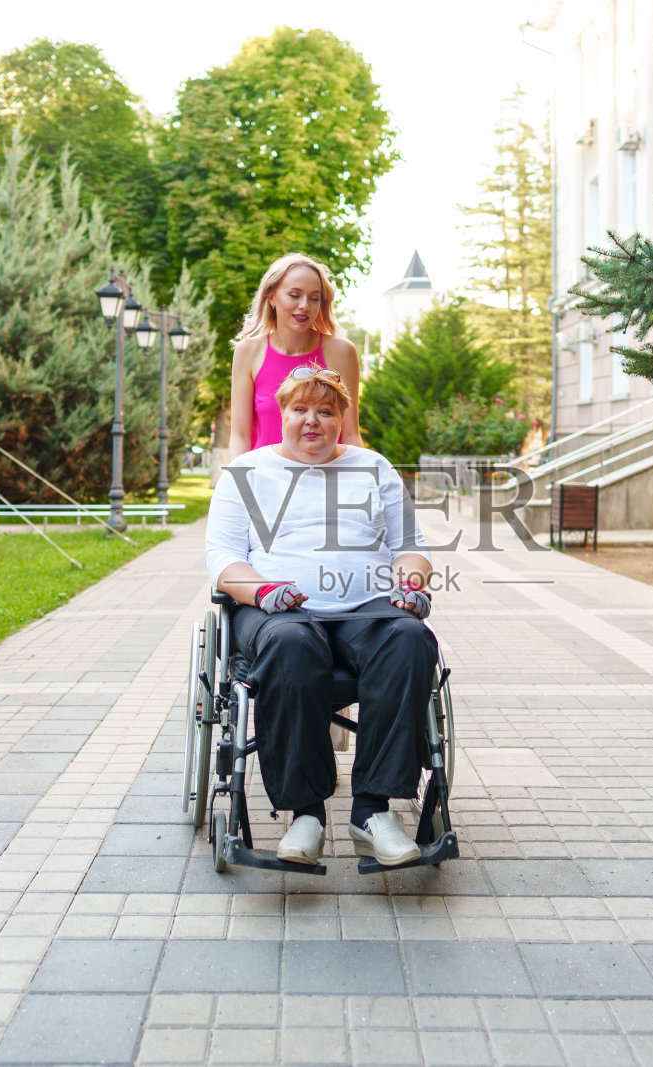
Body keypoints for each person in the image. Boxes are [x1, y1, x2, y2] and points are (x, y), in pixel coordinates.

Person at [204, 366, 435, 868]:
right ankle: (306, 813)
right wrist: (263, 590)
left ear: (341, 418)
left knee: (410, 639)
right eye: (300, 410)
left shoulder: (374, 468)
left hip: (365, 608)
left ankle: (373, 812)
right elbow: (223, 558)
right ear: (281, 414)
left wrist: (411, 586)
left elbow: (410, 549)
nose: (312, 421)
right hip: (278, 609)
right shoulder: (247, 473)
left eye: (325, 412)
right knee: (291, 647)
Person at [228, 253, 363, 458]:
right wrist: (238, 483)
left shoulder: (342, 352)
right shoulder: (248, 352)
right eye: (294, 295)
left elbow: (351, 434)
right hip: (266, 481)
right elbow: (239, 436)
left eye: (314, 298)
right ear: (271, 297)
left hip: (326, 480)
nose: (305, 306)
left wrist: (362, 480)